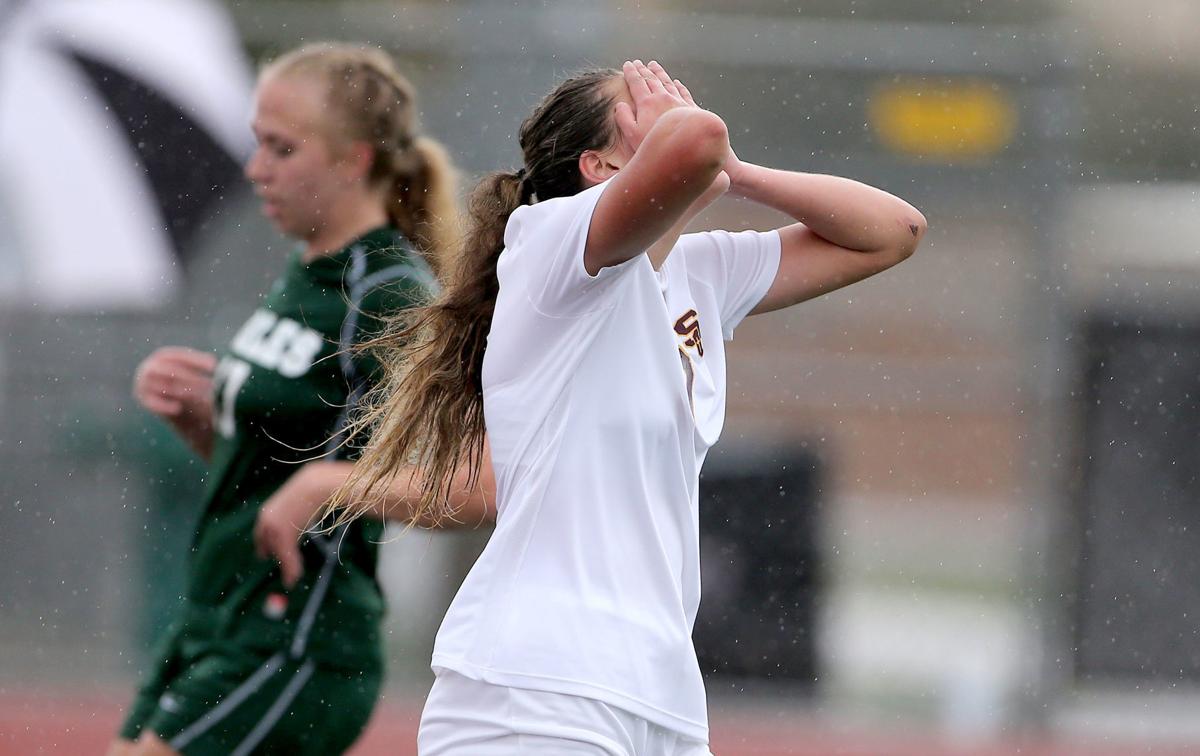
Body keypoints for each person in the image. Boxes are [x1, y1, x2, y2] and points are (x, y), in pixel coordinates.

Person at [340, 59, 927, 755]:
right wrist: (696, 144)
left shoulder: (699, 272)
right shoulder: (551, 243)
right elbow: (697, 140)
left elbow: (895, 231)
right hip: (535, 689)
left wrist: (736, 172)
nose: (673, 102)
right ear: (596, 166)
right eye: (642, 104)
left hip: (657, 694)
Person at [108, 43, 492, 756]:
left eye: (281, 148)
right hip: (218, 622)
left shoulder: (388, 294)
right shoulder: (304, 271)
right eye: (258, 144)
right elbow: (277, 464)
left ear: (353, 159)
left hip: (298, 641)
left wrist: (325, 484)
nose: (257, 169)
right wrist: (205, 417)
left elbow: (476, 486)